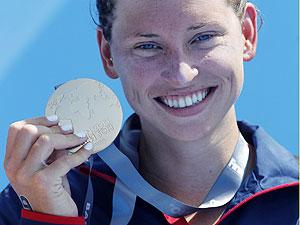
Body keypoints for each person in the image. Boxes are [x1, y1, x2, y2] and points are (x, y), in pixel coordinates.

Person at [0, 0, 298, 224]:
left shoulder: (293, 197)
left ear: (246, 33)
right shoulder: (38, 199)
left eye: (203, 37)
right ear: (108, 54)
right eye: (148, 45)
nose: (181, 75)